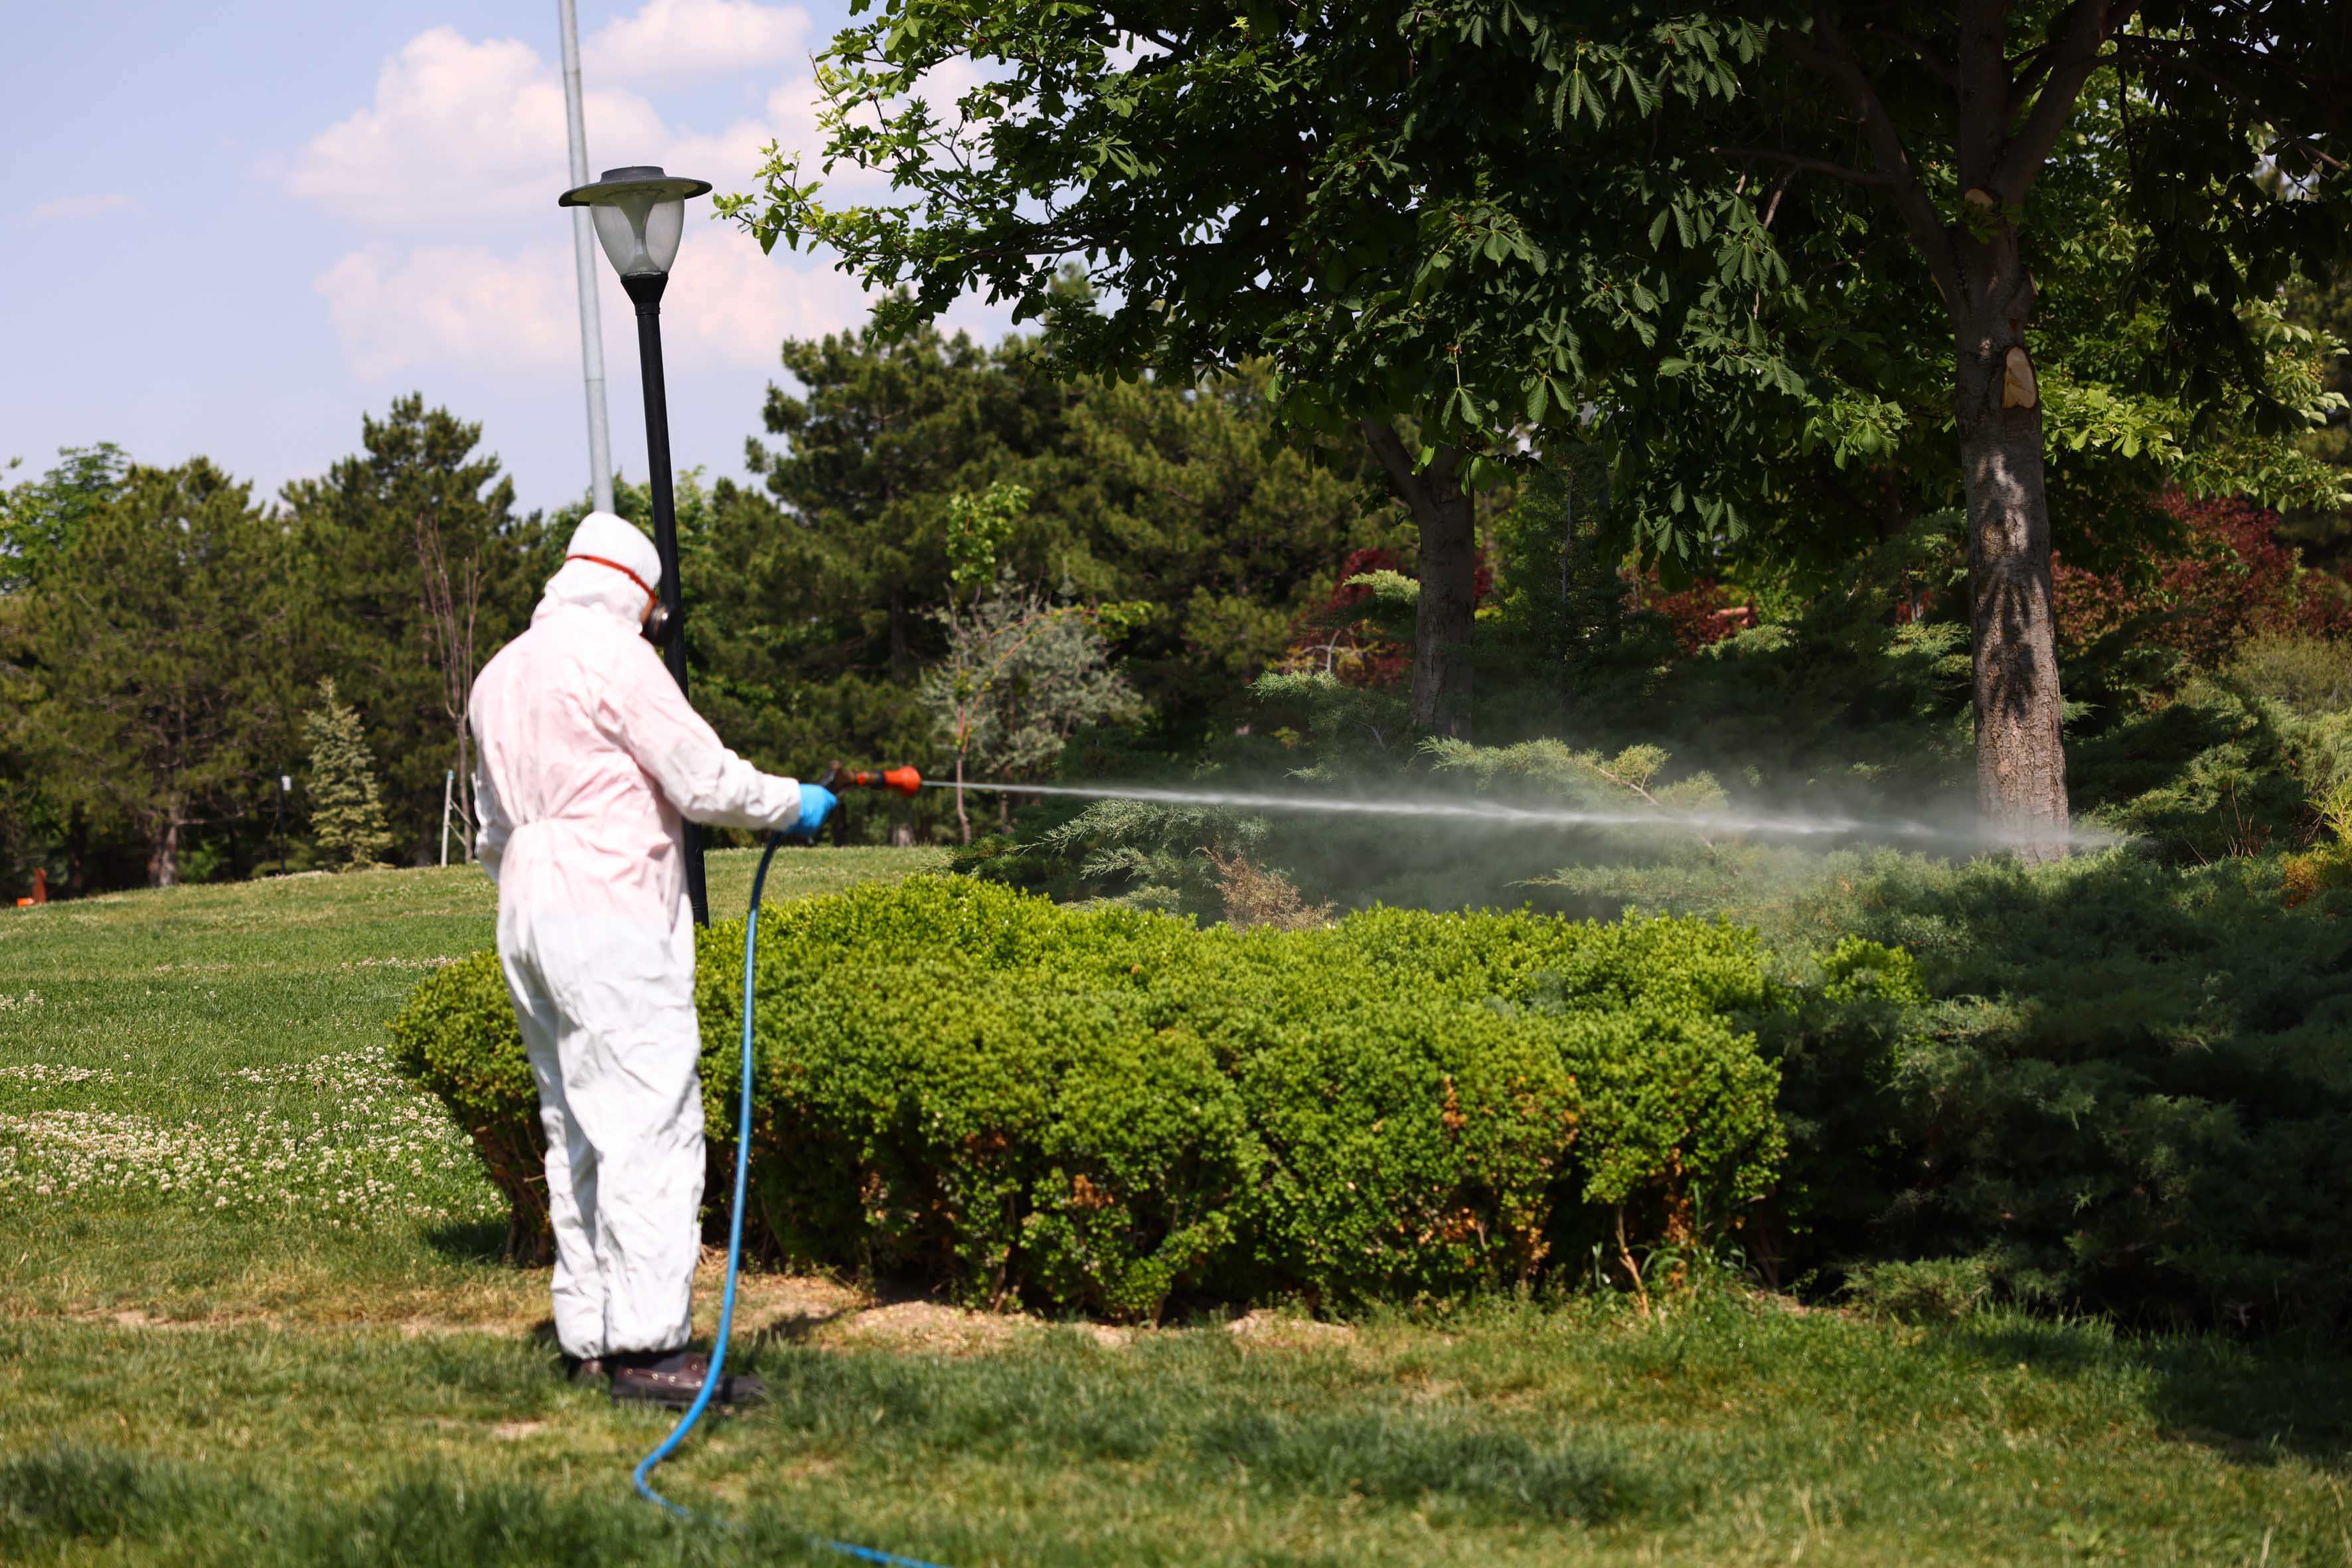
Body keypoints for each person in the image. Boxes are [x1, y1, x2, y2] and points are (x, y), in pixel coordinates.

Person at [469, 511, 834, 1407]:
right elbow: (703, 779)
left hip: (527, 900)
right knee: (648, 1118)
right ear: (636, 588)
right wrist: (793, 802)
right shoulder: (613, 655)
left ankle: (590, 1336)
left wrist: (537, 887)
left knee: (575, 1124)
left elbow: (489, 830)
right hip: (610, 902)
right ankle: (650, 1346)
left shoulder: (500, 671)